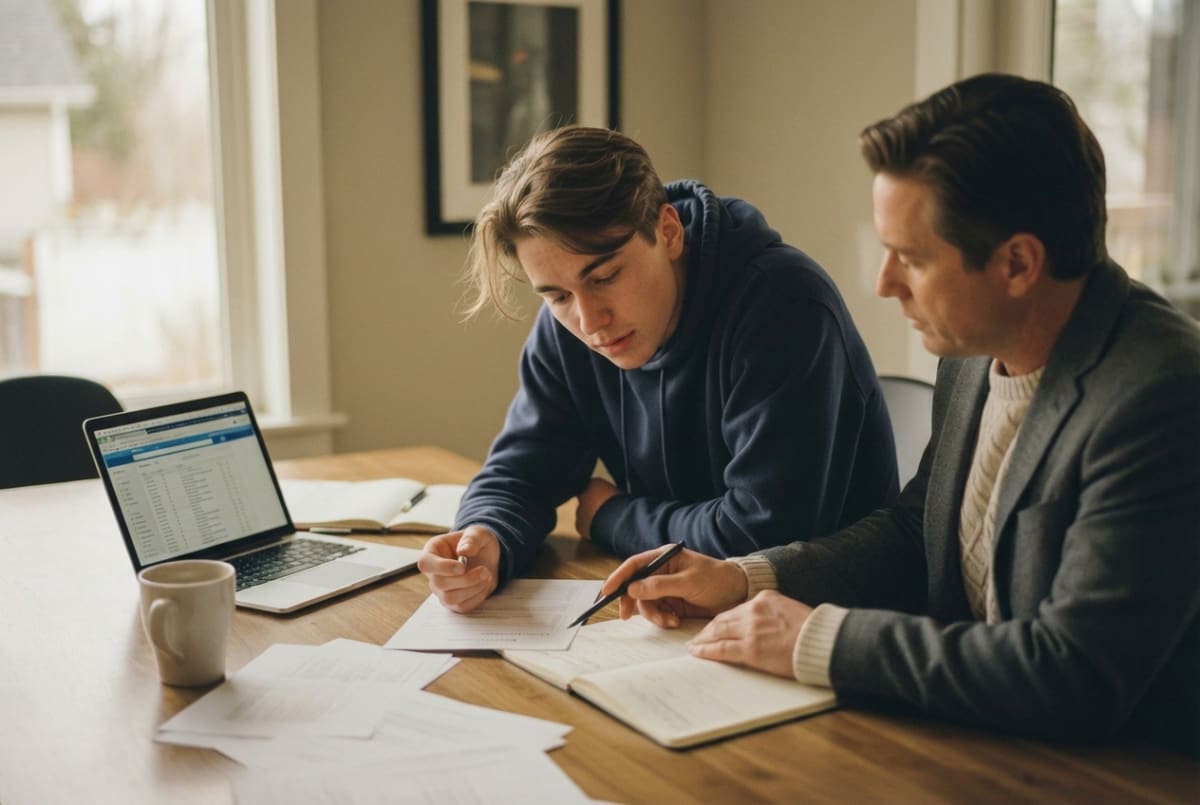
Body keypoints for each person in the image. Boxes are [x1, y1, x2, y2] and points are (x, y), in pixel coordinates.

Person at [602, 74, 1200, 754]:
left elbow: (1075, 674)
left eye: (911, 258)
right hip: (964, 739)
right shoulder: (974, 350)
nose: (884, 283)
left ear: (1018, 264)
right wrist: (744, 576)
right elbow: (920, 531)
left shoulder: (1161, 393)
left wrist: (817, 639)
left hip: (1114, 773)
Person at [418, 126, 899, 613]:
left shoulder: (784, 308)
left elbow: (759, 538)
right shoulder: (568, 328)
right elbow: (523, 469)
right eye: (557, 296)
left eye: (605, 276)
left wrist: (612, 516)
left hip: (825, 622)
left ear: (668, 231)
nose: (589, 322)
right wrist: (486, 534)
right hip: (685, 617)